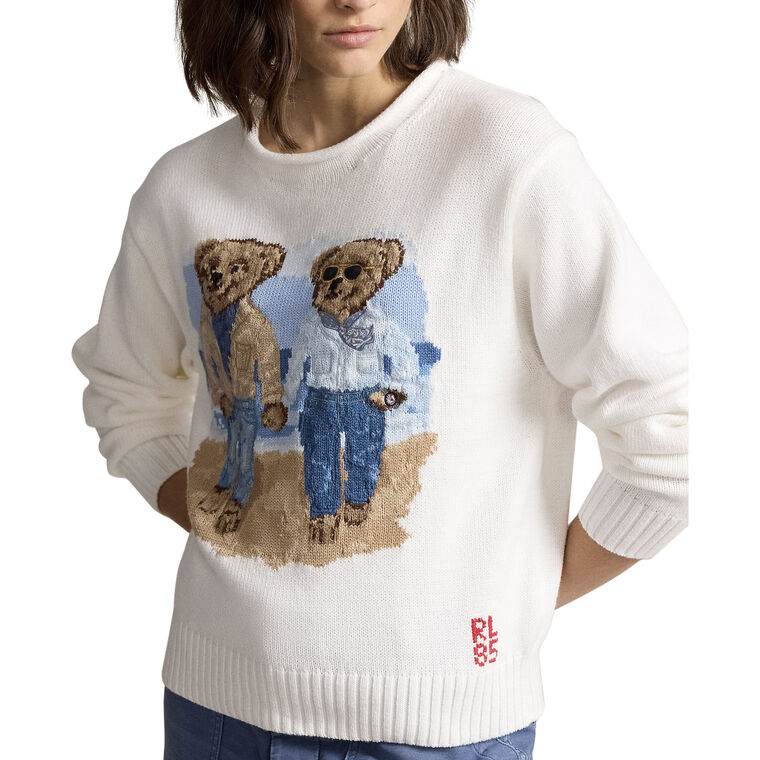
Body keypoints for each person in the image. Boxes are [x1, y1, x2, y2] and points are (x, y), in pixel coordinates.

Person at [71, 0, 689, 757]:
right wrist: (220, 510)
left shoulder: (508, 154)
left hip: (443, 724)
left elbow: (672, 435)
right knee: (325, 461)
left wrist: (519, 596)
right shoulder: (184, 187)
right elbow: (126, 395)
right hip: (221, 708)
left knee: (364, 460)